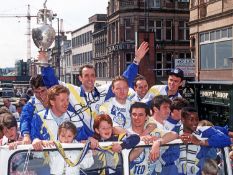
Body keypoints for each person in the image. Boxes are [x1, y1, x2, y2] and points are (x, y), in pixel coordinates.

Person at [41, 41, 149, 139]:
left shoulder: (103, 91)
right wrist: (45, 64)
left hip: (103, 139)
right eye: (86, 75)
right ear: (80, 78)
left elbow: (124, 80)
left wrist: (136, 60)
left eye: (92, 75)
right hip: (81, 140)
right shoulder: (72, 91)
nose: (90, 79)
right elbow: (52, 83)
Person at [128, 102, 178, 175]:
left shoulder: (153, 132)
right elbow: (129, 158)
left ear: (146, 117)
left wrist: (157, 142)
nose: (136, 118)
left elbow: (174, 134)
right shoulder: (126, 134)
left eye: (141, 115)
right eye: (134, 114)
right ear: (130, 115)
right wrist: (141, 142)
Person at [178, 107, 231, 175]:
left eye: (197, 119)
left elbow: (226, 140)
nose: (195, 122)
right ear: (183, 120)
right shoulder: (174, 132)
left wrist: (200, 142)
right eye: (191, 119)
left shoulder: (203, 131)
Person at [31, 85, 83, 150]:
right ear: (52, 102)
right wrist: (37, 141)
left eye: (67, 100)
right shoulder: (39, 117)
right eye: (62, 100)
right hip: (47, 159)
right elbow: (34, 138)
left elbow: (81, 139)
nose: (66, 103)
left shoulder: (74, 117)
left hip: (70, 159)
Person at [20, 75, 49, 144]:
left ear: (47, 88)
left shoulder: (56, 99)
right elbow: (25, 120)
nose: (40, 94)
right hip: (38, 143)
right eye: (37, 92)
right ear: (32, 91)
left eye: (43, 91)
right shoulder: (30, 105)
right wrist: (26, 135)